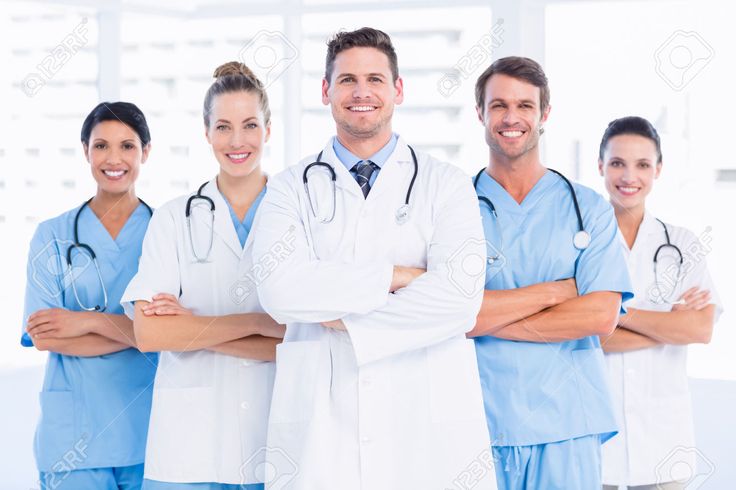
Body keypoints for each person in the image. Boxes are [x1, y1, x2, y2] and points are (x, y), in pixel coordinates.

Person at [252, 28, 495, 489]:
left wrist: (345, 317)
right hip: (322, 430)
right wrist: (397, 276)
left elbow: (461, 299)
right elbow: (280, 290)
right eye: (346, 80)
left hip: (422, 423)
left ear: (398, 89)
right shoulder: (290, 187)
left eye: (375, 79)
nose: (361, 92)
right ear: (326, 91)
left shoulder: (445, 184)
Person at [467, 56, 633, 490]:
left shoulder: (588, 209)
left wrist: (483, 319)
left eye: (525, 105)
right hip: (478, 419)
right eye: (498, 104)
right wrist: (555, 293)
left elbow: (599, 317)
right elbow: (447, 313)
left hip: (568, 424)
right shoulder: (454, 209)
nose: (511, 117)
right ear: (480, 113)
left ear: (544, 115)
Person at [120, 62, 284, 489]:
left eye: (249, 125)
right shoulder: (175, 218)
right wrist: (258, 324)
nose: (237, 141)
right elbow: (150, 335)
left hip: (277, 443)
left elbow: (307, 338)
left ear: (269, 129)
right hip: (189, 454)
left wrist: (191, 329)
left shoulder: (298, 214)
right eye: (223, 127)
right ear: (206, 132)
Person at [21, 101, 158, 489]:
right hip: (73, 437)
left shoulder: (167, 233)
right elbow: (44, 334)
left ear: (145, 152)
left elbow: (175, 334)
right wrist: (138, 333)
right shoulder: (52, 236)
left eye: (127, 146)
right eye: (101, 146)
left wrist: (86, 321)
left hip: (150, 433)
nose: (113, 158)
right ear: (85, 151)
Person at [597, 116, 722, 490]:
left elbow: (700, 329)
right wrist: (668, 324)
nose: (629, 176)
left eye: (642, 165)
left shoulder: (681, 244)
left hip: (664, 447)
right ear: (600, 166)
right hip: (597, 446)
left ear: (659, 170)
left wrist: (614, 314)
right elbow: (581, 335)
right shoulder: (581, 244)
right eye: (617, 163)